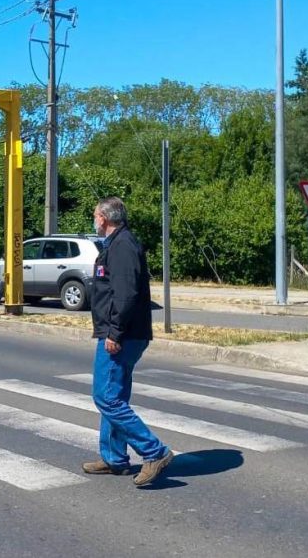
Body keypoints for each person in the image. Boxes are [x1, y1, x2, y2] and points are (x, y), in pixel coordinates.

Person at [82, 197, 174, 487]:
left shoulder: (122, 246)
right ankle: (114, 458)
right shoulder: (118, 243)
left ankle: (154, 451)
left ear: (105, 219)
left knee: (106, 397)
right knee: (115, 396)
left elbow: (126, 294)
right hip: (124, 331)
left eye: (95, 216)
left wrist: (114, 333)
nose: (94, 220)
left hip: (122, 334)